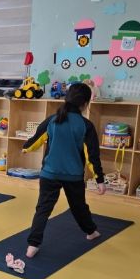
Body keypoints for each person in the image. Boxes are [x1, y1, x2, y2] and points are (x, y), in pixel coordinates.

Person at [22, 83, 106, 258]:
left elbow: (36, 139)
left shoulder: (53, 119)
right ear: (85, 104)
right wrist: (99, 180)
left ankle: (32, 245)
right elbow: (92, 156)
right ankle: (91, 232)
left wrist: (26, 148)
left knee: (43, 209)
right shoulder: (86, 125)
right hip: (73, 177)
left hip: (49, 174)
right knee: (79, 207)